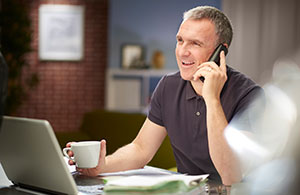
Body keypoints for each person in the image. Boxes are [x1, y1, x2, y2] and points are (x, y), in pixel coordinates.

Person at [67, 6, 262, 185]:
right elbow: (141, 149)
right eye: (180, 40)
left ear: (221, 51)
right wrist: (101, 167)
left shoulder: (250, 96)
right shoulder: (168, 86)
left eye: (195, 43)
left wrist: (212, 99)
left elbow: (232, 176)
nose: (182, 52)